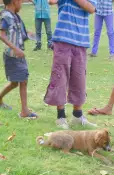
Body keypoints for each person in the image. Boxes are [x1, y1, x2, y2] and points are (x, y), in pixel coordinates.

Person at [44, 0, 97, 129]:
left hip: (81, 41)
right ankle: (61, 117)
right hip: (63, 40)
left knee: (79, 79)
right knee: (60, 78)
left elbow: (91, 8)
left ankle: (77, 116)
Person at [0, 0, 38, 119]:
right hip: (12, 55)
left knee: (15, 83)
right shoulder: (5, 15)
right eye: (20, 2)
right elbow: (1, 35)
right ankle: (24, 111)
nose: (21, 4)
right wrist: (15, 49)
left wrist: (28, 35)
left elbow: (17, 33)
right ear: (14, 1)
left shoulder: (15, 16)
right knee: (23, 80)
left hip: (18, 54)